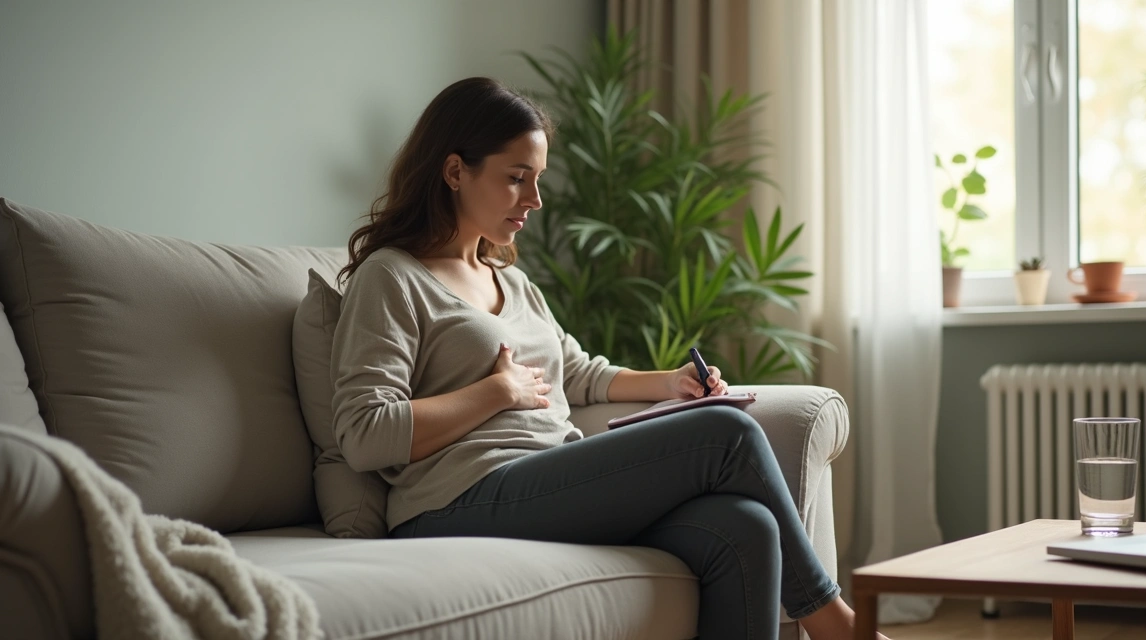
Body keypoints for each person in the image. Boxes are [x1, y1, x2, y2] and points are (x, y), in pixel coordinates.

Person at [330, 76, 890, 640]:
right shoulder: (391, 277)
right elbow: (363, 432)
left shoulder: (513, 282)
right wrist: (497, 392)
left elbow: (575, 373)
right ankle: (839, 626)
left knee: (744, 528)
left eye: (538, 180)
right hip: (453, 503)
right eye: (516, 179)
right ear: (455, 172)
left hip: (542, 478)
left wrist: (668, 384)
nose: (534, 200)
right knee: (724, 433)